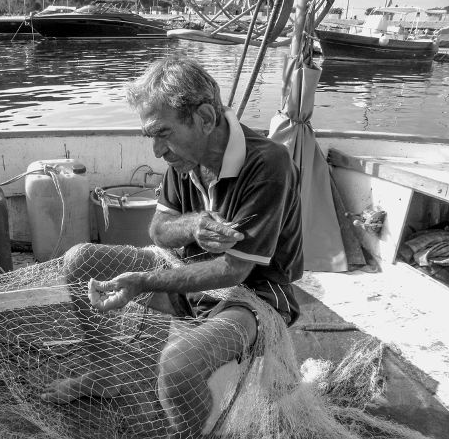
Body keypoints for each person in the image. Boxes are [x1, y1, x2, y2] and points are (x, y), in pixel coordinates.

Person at [41, 56, 303, 439]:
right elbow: (159, 231)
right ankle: (103, 376)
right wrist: (195, 225)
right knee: (82, 260)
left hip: (252, 296)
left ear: (206, 118)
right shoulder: (185, 160)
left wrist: (145, 281)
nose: (157, 151)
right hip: (187, 277)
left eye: (163, 133)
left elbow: (233, 271)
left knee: (178, 366)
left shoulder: (268, 163)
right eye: (151, 137)